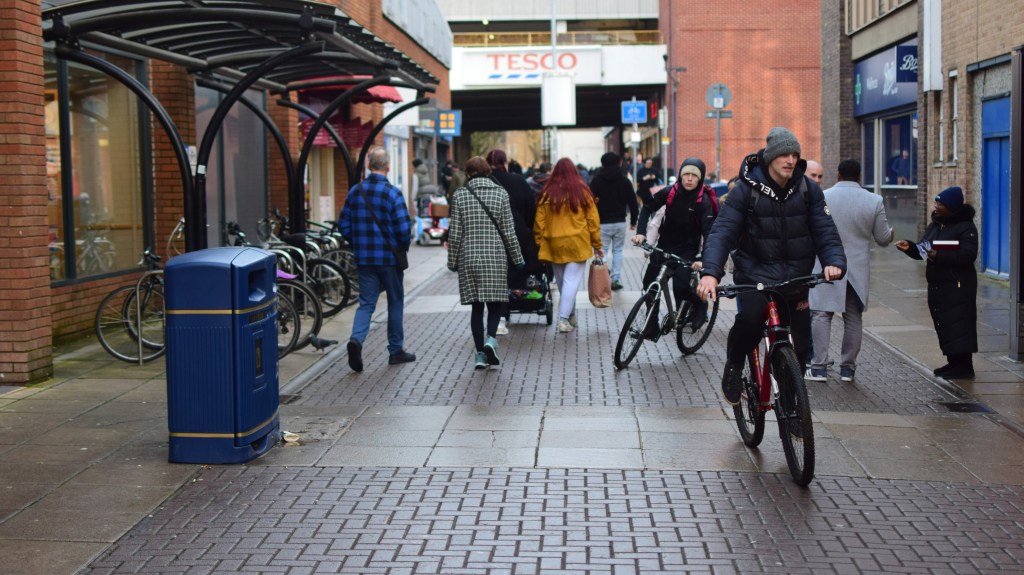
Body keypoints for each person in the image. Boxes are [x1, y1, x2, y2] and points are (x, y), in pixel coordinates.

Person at [696, 127, 846, 405]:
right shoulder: (745, 190)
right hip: (755, 275)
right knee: (751, 320)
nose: (790, 160)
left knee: (801, 345)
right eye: (784, 154)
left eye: (794, 155)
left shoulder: (808, 190)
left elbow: (825, 230)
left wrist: (833, 261)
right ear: (770, 157)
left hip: (795, 278)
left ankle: (792, 402)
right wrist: (710, 274)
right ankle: (734, 365)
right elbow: (723, 232)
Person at [807, 159, 894, 383]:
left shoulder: (822, 197)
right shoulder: (874, 201)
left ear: (838, 174)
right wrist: (892, 233)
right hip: (857, 268)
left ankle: (818, 368)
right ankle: (848, 369)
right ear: (859, 176)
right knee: (853, 317)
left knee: (821, 315)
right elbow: (883, 239)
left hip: (826, 264)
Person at [338, 147, 415, 372]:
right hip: (390, 260)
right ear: (388, 167)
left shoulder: (355, 192)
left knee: (366, 303)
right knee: (395, 302)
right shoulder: (393, 193)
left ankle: (356, 339)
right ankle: (395, 351)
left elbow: (343, 224)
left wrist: (358, 242)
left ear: (369, 165)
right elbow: (403, 229)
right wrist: (403, 247)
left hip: (365, 259)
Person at [447, 157, 525, 369]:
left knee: (476, 307)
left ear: (468, 173)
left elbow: (455, 234)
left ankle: (480, 354)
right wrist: (518, 259)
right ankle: (491, 339)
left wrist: (452, 261)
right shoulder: (500, 194)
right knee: (495, 303)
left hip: (469, 256)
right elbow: (509, 232)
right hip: (495, 256)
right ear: (488, 172)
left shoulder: (460, 196)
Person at [895, 186, 979, 379]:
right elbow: (925, 250)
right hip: (938, 283)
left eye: (941, 204)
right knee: (945, 322)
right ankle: (953, 362)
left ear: (952, 206)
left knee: (959, 323)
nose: (937, 206)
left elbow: (968, 255)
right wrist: (911, 248)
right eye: (937, 203)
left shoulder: (965, 227)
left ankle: (964, 366)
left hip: (958, 284)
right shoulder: (936, 224)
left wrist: (938, 255)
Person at [632, 158, 716, 333]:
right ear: (680, 175)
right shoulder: (670, 192)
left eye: (694, 175)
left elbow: (709, 233)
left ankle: (699, 304)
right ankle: (652, 324)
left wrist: (703, 259)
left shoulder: (704, 201)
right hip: (664, 245)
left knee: (680, 286)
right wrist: (640, 233)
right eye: (686, 174)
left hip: (687, 250)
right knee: (649, 284)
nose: (689, 179)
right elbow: (647, 208)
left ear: (700, 179)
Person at [534, 157, 604, 333]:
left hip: (553, 242)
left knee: (562, 282)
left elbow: (539, 221)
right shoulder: (582, 192)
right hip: (576, 242)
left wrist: (540, 241)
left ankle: (570, 315)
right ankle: (564, 319)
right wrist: (597, 244)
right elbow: (592, 220)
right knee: (571, 282)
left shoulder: (547, 193)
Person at [487, 148, 539, 335]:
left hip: (491, 235)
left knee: (496, 276)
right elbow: (530, 209)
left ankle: (498, 317)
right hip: (517, 233)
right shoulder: (518, 181)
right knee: (512, 272)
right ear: (505, 163)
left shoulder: (483, 183)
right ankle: (511, 304)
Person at [589, 151, 639, 291]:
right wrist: (633, 221)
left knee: (602, 251)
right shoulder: (624, 180)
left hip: (602, 222)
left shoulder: (596, 180)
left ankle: (604, 275)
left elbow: (590, 202)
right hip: (619, 221)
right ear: (619, 163)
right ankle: (615, 279)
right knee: (618, 251)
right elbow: (633, 202)